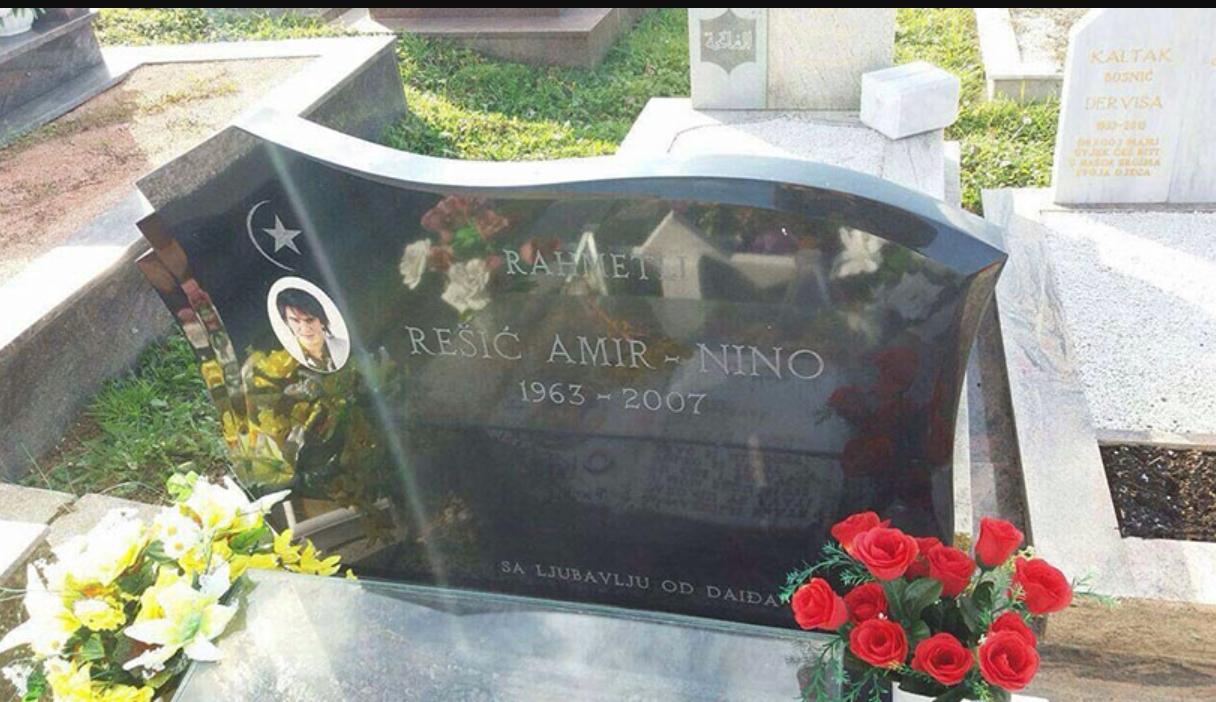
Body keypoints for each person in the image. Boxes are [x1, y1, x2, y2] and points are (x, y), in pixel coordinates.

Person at [275, 288, 349, 372]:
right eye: (295, 321)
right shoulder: (285, 361)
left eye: (309, 320)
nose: (305, 328)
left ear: (321, 320)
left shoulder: (344, 347)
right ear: (286, 322)